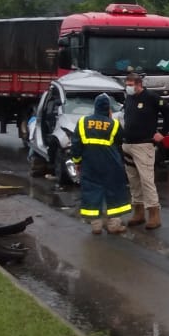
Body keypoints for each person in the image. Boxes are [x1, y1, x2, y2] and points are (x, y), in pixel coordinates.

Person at [122, 72, 169, 230]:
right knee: (133, 181)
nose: (128, 88)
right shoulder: (129, 98)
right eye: (127, 85)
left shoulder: (151, 97)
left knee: (146, 180)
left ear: (139, 84)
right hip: (128, 144)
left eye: (131, 85)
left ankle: (154, 214)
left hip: (144, 145)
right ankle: (138, 212)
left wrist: (163, 133)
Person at [70, 93, 131, 234]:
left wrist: (77, 162)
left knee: (91, 191)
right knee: (114, 192)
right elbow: (120, 143)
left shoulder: (83, 122)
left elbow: (76, 145)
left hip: (90, 164)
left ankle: (96, 225)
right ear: (108, 108)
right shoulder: (114, 124)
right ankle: (114, 225)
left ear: (95, 107)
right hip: (111, 165)